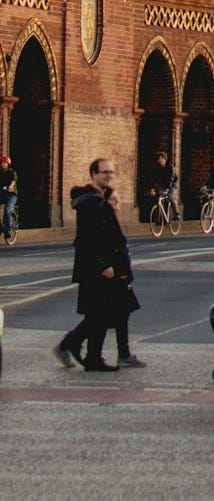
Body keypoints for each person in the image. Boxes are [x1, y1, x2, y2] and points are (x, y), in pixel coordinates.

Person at [55, 158, 120, 371]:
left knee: (99, 314)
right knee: (99, 314)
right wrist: (104, 264)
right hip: (94, 266)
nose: (109, 176)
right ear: (93, 174)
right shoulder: (91, 202)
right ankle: (73, 346)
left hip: (97, 264)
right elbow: (91, 237)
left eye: (111, 172)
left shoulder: (100, 198)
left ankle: (90, 356)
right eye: (104, 172)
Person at [104, 188, 145, 367]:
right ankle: (69, 344)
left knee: (122, 313)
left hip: (121, 274)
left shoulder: (110, 218)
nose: (117, 204)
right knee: (102, 317)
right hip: (114, 275)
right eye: (114, 200)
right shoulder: (104, 219)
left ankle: (124, 353)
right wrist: (106, 265)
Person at [147, 151, 178, 219]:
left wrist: (167, 189)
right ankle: (160, 218)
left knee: (170, 197)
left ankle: (176, 213)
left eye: (162, 158)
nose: (160, 160)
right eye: (159, 159)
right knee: (158, 198)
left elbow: (171, 179)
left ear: (165, 159)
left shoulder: (170, 167)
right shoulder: (157, 168)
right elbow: (153, 179)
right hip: (163, 184)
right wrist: (152, 188)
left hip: (173, 184)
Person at [0, 154, 17, 240]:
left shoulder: (12, 172)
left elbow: (13, 180)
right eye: (1, 163)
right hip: (2, 195)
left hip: (11, 196)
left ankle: (7, 229)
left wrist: (11, 186)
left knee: (7, 209)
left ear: (8, 164)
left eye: (4, 163)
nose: (2, 164)